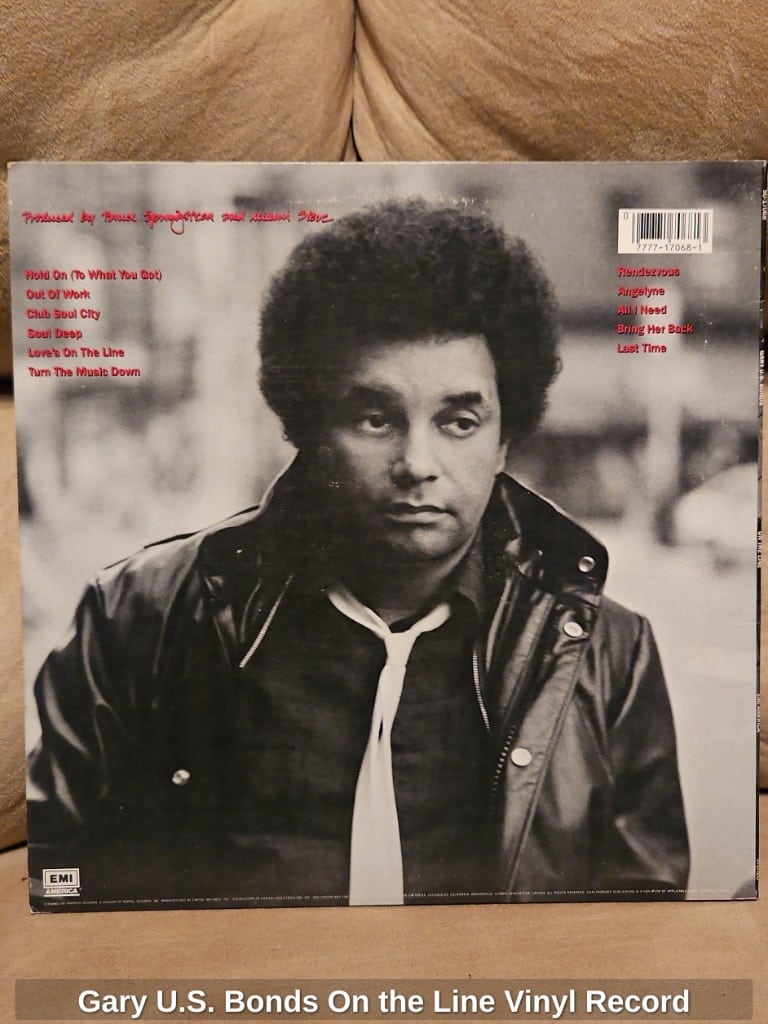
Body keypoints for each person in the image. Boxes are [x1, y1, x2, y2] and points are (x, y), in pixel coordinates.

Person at [27, 199, 689, 910]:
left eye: (459, 422)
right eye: (375, 419)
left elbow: (639, 929)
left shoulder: (607, 654)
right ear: (311, 428)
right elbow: (56, 887)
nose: (417, 464)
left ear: (504, 441)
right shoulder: (138, 619)